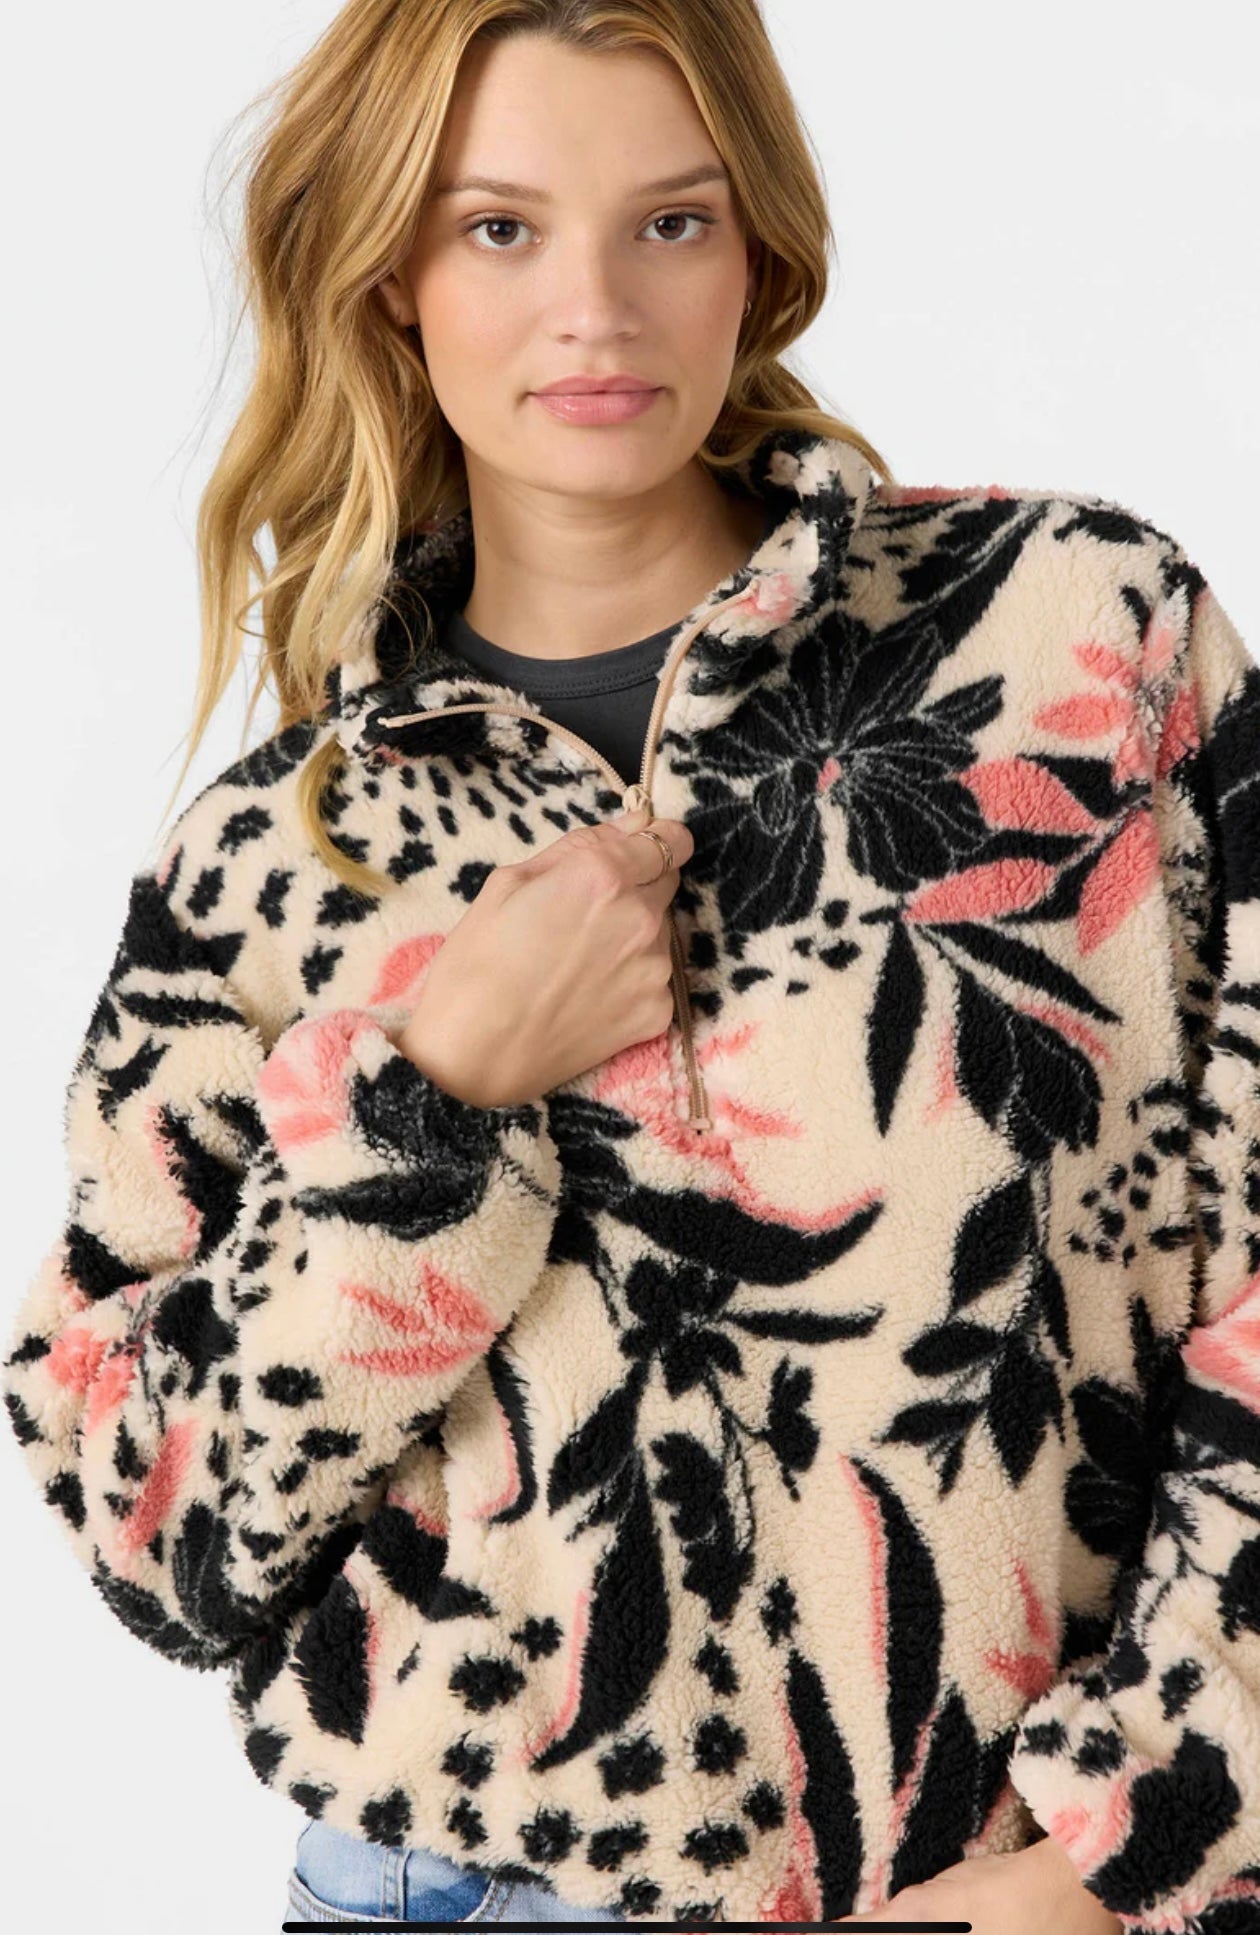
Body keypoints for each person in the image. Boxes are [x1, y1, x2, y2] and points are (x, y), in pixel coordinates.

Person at [4, 2, 1258, 1931]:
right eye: (499, 228)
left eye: (670, 221)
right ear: (392, 275)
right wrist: (430, 1101)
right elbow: (154, 1523)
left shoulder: (1081, 642)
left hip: (1023, 1879)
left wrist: (1133, 1843)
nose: (593, 309)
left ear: (756, 249)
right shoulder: (266, 864)